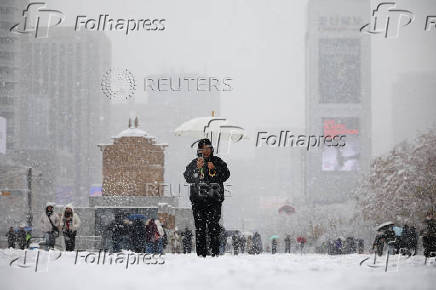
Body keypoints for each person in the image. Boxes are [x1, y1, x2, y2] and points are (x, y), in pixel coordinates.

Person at [183, 138, 230, 257]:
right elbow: (187, 177)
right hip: (198, 202)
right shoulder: (195, 162)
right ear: (199, 150)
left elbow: (226, 175)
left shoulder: (217, 161)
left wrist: (214, 168)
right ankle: (201, 254)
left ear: (212, 149)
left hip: (214, 201)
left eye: (208, 148)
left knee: (214, 227)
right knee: (200, 229)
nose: (205, 151)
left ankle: (215, 253)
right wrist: (196, 169)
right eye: (202, 149)